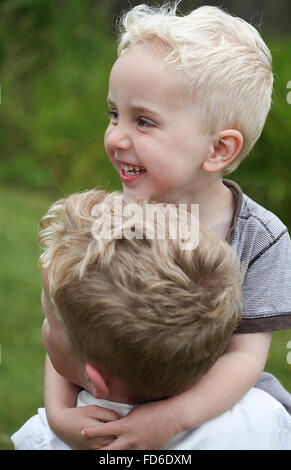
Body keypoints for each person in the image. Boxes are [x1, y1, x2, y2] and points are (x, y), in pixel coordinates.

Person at [41, 3, 291, 450]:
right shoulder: (111, 219)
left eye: (144, 121)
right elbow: (67, 325)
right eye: (113, 114)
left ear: (218, 149)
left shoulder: (259, 237)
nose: (116, 137)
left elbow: (245, 359)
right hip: (108, 396)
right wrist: (60, 414)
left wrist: (171, 418)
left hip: (213, 412)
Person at [11, 190, 291, 450]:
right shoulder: (264, 414)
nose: (44, 326)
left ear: (95, 380)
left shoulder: (44, 439)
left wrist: (56, 417)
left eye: (50, 319)